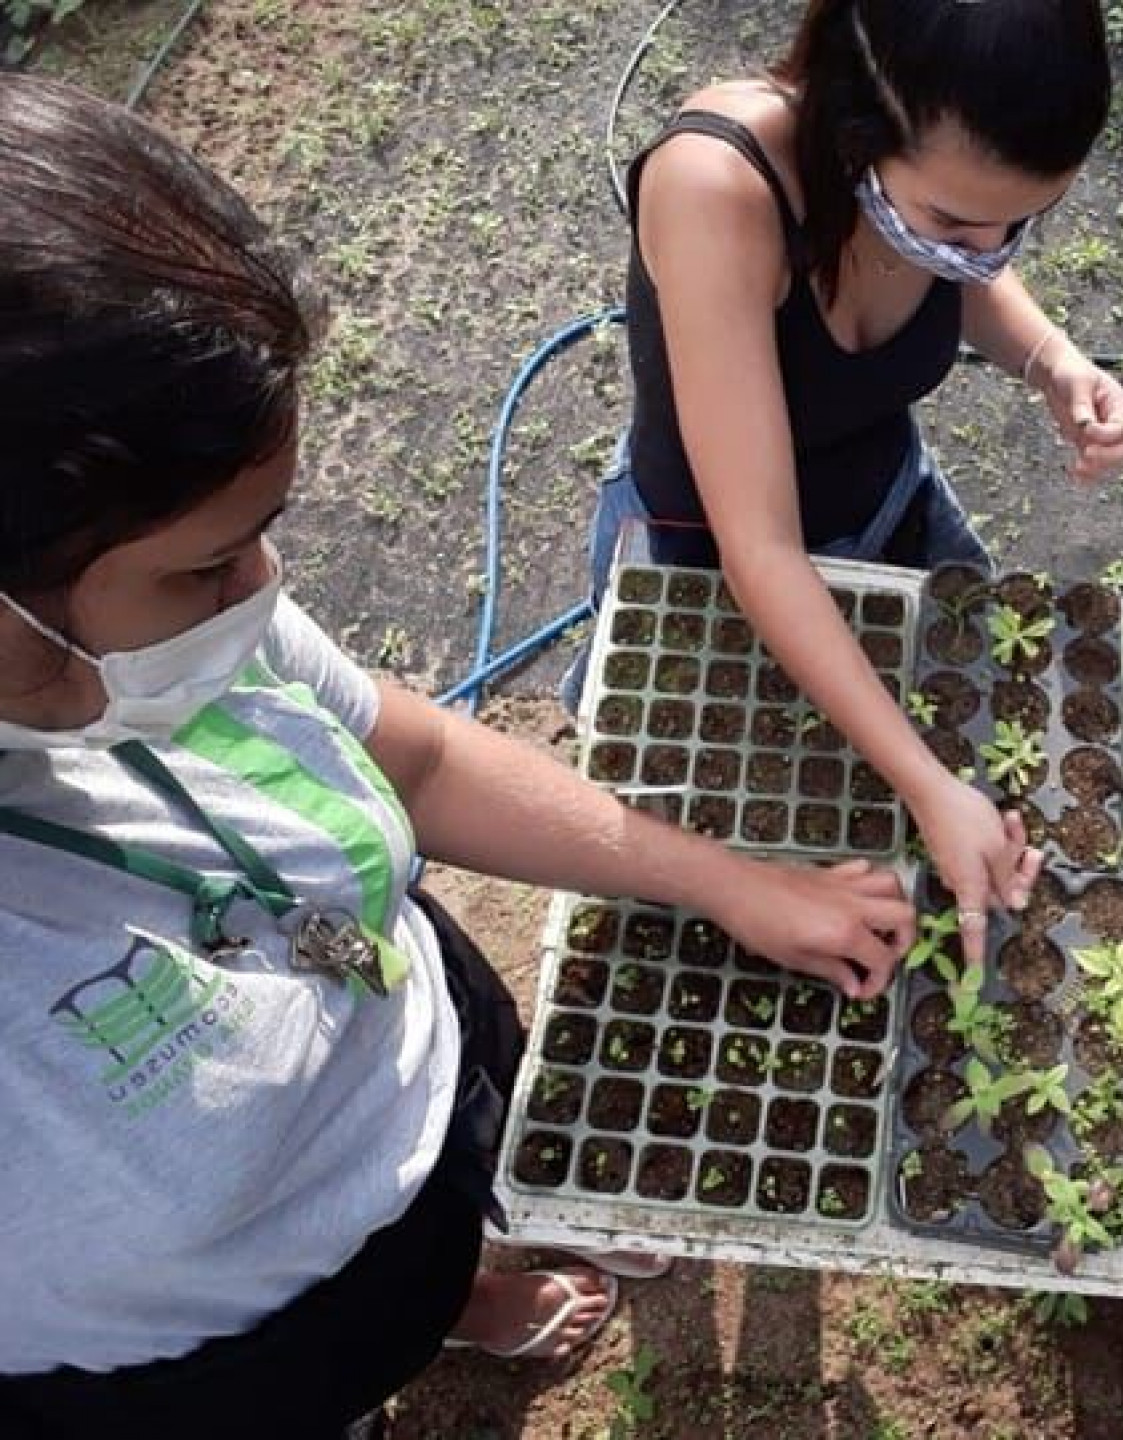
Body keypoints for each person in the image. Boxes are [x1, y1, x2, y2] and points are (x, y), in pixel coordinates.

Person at [0, 74, 913, 1439]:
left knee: (445, 1220)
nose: (262, 589)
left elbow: (410, 759)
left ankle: (474, 1287)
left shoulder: (144, 633)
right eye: (203, 569)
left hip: (394, 1037)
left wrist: (726, 880)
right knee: (337, 1373)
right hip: (223, 1356)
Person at [581, 0, 1123, 963]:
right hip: (710, 559)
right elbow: (757, 546)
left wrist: (1051, 358)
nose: (986, 251)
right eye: (956, 222)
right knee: (723, 827)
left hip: (890, 503)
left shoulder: (943, 207)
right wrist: (925, 786)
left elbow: (967, 272)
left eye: (1020, 223)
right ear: (856, 125)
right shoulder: (717, 187)